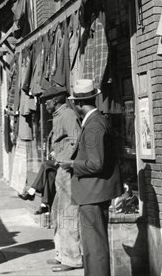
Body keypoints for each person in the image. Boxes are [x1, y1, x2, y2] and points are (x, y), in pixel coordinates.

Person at [60, 79, 122, 276]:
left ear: (77, 104)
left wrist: (70, 164)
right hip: (94, 192)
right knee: (93, 246)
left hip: (92, 194)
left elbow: (96, 163)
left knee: (94, 248)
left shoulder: (94, 125)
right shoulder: (97, 121)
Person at [42, 86, 83, 273]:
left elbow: (76, 139)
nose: (45, 105)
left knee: (68, 215)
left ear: (56, 100)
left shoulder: (67, 115)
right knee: (59, 213)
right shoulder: (60, 115)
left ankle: (72, 258)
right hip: (61, 170)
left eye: (47, 101)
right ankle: (61, 254)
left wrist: (65, 160)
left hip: (67, 171)